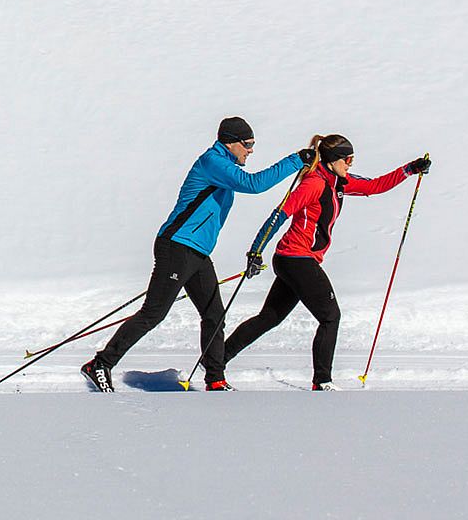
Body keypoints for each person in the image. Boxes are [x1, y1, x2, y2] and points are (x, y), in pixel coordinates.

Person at [81, 117, 307, 393]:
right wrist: (296, 160)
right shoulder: (214, 162)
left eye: (253, 144)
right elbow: (254, 185)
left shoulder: (224, 165)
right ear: (231, 142)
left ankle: (215, 379)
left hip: (196, 252)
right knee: (154, 314)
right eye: (247, 144)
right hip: (176, 246)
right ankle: (100, 364)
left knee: (214, 315)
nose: (250, 150)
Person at [222, 135, 430, 390]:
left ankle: (217, 359)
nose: (350, 164)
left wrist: (410, 169)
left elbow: (375, 186)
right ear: (332, 160)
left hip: (295, 259)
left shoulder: (337, 182)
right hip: (296, 259)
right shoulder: (314, 184)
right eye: (347, 159)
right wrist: (255, 251)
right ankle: (322, 381)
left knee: (268, 318)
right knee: (330, 316)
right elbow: (280, 214)